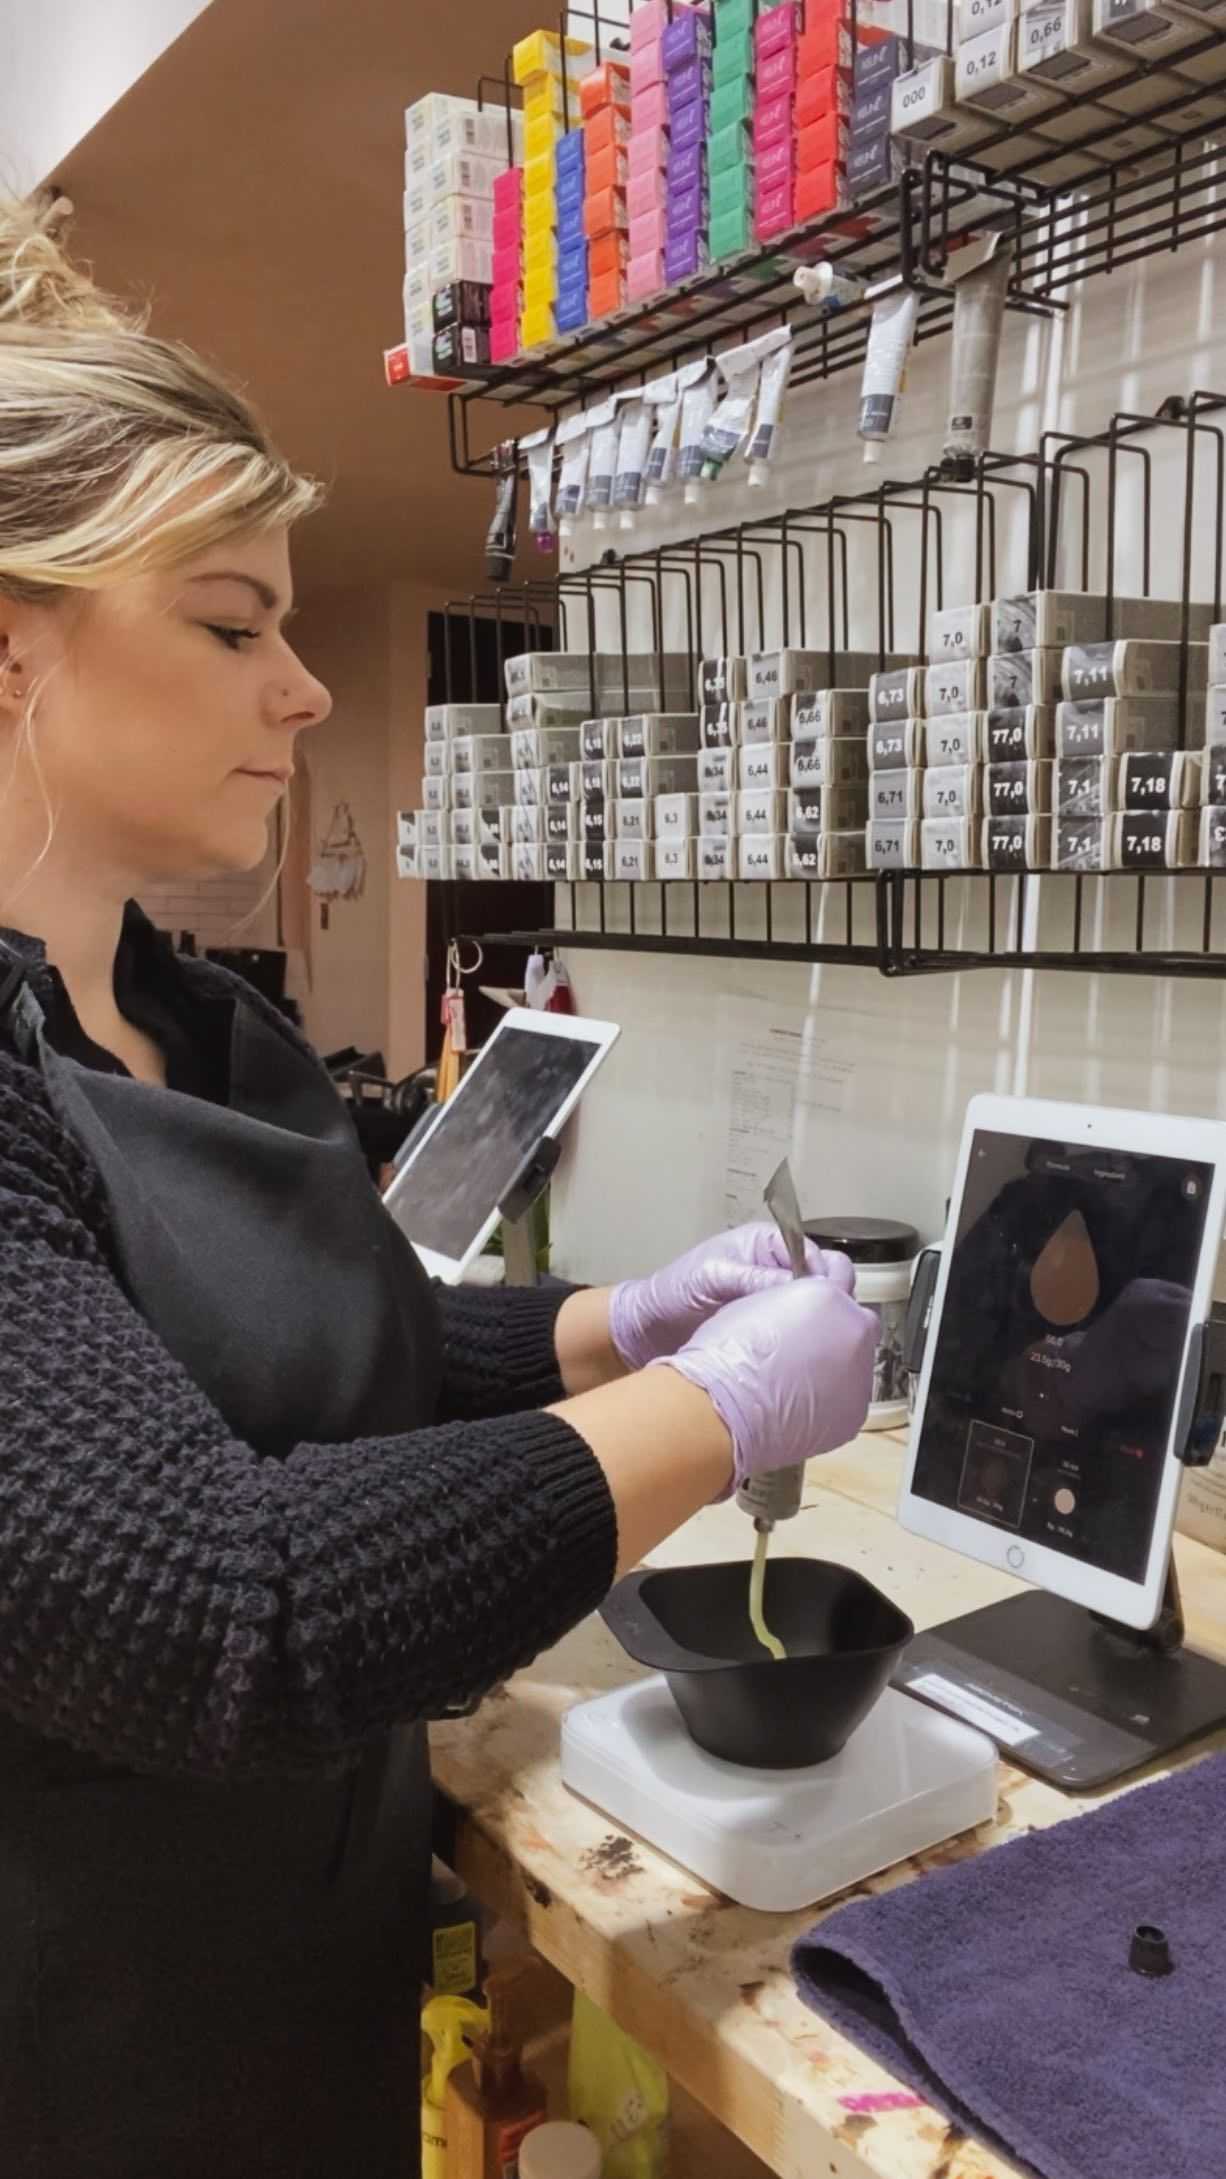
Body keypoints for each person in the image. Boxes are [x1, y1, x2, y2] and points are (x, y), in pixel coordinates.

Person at [0, 197, 877, 2178]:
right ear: (10, 651)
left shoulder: (189, 1018)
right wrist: (709, 1409)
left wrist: (603, 1322)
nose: (303, 690)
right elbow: (223, 1600)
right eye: (232, 623)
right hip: (81, 2057)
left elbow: (326, 1350)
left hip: (298, 1973)